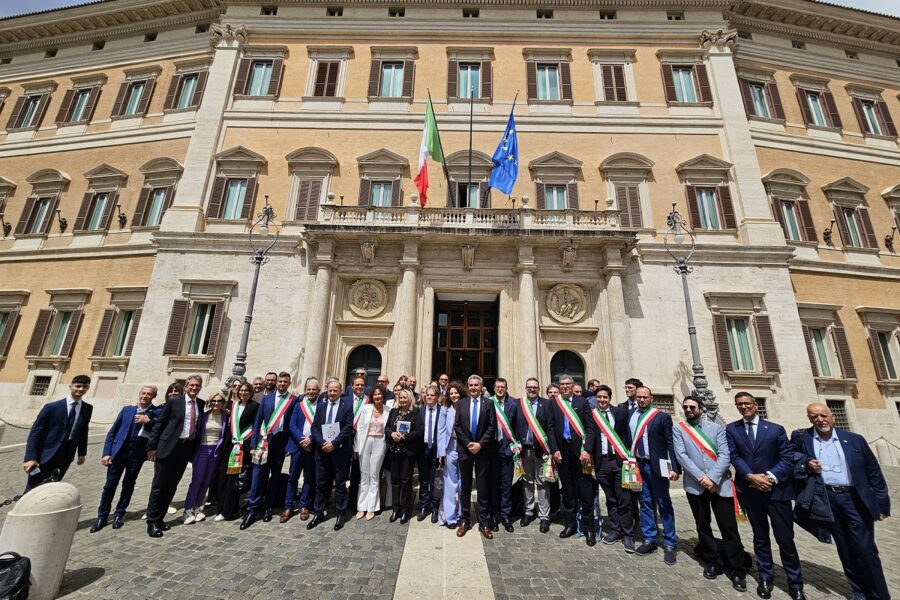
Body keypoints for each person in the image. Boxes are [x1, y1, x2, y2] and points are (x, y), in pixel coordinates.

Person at [792, 403, 890, 600]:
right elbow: (791, 456)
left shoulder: (854, 440)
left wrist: (882, 505)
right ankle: (859, 591)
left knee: (865, 548)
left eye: (823, 415)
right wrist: (806, 463)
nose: (820, 420)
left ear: (833, 416)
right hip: (826, 498)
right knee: (844, 547)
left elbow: (873, 472)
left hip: (853, 498)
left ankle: (879, 595)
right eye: (814, 417)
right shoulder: (803, 438)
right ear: (809, 419)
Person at [726, 392, 803, 600]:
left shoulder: (775, 429)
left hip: (776, 492)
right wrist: (750, 476)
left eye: (747, 403)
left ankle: (795, 583)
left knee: (786, 540)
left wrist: (769, 477)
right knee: (760, 538)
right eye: (739, 404)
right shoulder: (732, 429)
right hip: (750, 491)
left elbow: (787, 458)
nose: (744, 407)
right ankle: (765, 577)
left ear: (755, 405)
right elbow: (734, 455)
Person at [673, 395, 747, 590]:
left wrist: (712, 478)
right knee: (703, 525)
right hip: (695, 485)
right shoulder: (679, 429)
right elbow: (681, 456)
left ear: (701, 408)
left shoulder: (716, 428)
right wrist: (702, 478)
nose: (688, 410)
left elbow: (725, 454)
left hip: (720, 485)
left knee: (728, 527)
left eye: (692, 407)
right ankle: (712, 560)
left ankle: (737, 568)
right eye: (685, 407)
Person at [90, 385, 158, 532]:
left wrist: (148, 422)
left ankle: (119, 514)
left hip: (137, 455)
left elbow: (159, 431)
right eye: (143, 393)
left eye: (149, 394)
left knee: (128, 484)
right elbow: (113, 432)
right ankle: (102, 516)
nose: (145, 396)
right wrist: (106, 453)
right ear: (139, 394)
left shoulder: (156, 412)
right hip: (119, 453)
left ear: (154, 396)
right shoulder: (127, 410)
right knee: (109, 485)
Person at [146, 375, 205, 537]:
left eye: (197, 386)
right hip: (168, 447)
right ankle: (152, 521)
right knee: (159, 486)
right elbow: (160, 424)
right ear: (185, 386)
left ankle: (160, 519)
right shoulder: (174, 402)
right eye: (191, 385)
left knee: (172, 485)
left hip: (185, 449)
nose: (194, 388)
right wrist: (152, 447)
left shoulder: (201, 404)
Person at [627, 386, 680, 564]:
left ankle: (670, 543)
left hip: (658, 466)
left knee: (664, 503)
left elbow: (670, 443)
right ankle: (649, 539)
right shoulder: (631, 415)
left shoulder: (661, 416)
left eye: (645, 397)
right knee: (645, 502)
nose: (641, 400)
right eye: (639, 397)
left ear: (651, 398)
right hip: (638, 464)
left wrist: (675, 467)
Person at [242, 371, 295, 529]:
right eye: (280, 381)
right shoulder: (266, 399)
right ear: (277, 383)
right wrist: (253, 445)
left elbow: (292, 424)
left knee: (275, 476)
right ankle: (252, 509)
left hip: (280, 444)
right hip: (263, 443)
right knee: (258, 475)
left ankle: (268, 507)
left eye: (285, 382)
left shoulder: (293, 400)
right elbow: (257, 422)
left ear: (289, 384)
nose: (282, 384)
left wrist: (288, 446)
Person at [547, 374, 596, 546]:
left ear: (573, 385)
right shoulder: (554, 403)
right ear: (559, 386)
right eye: (562, 384)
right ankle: (571, 525)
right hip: (563, 452)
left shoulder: (582, 402)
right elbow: (550, 428)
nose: (565, 386)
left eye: (568, 384)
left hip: (581, 452)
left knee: (585, 491)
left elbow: (590, 428)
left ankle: (589, 528)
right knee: (567, 491)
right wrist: (554, 449)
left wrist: (588, 450)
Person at [23, 374, 94, 491]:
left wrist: (82, 453)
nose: (81, 389)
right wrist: (30, 457)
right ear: (70, 386)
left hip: (66, 455)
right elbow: (36, 432)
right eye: (78, 386)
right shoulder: (52, 407)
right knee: (33, 489)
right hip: (45, 454)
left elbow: (83, 431)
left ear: (88, 388)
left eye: (84, 387)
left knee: (52, 487)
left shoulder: (87, 408)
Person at [586, 384, 635, 552]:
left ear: (610, 398)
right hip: (602, 463)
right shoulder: (592, 415)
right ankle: (616, 529)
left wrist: (629, 458)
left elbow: (627, 436)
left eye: (605, 397)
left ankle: (628, 534)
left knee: (624, 498)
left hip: (619, 461)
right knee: (610, 498)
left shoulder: (620, 413)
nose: (602, 400)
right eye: (599, 397)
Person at [308, 379, 354, 531]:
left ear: (340, 391)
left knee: (340, 483)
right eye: (330, 390)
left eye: (335, 390)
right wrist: (322, 443)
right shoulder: (321, 405)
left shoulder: (347, 405)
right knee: (321, 483)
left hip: (339, 450)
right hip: (322, 451)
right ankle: (318, 512)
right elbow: (315, 427)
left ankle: (340, 513)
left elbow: (348, 427)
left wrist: (333, 443)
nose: (332, 393)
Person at [454, 374, 496, 539]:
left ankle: (484, 522)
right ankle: (464, 520)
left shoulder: (488, 403)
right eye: (471, 385)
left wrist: (480, 444)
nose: (473, 388)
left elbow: (492, 426)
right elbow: (457, 426)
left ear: (481, 387)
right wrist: (468, 444)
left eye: (476, 385)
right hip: (465, 451)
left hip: (483, 451)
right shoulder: (462, 403)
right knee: (465, 486)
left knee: (482, 487)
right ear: (468, 387)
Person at [214, 381, 259, 521]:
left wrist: (250, 445)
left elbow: (256, 426)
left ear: (251, 393)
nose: (243, 392)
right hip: (229, 444)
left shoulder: (255, 406)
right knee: (224, 476)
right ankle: (220, 508)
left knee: (234, 479)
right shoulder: (233, 405)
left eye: (246, 390)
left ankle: (228, 511)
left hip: (243, 446)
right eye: (241, 390)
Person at [183, 392, 229, 523]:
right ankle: (188, 509)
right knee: (197, 480)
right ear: (210, 402)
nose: (216, 403)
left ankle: (198, 507)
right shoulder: (204, 416)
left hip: (216, 451)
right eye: (214, 401)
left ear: (223, 403)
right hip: (202, 449)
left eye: (219, 401)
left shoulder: (226, 416)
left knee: (207, 481)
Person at [281, 377, 320, 523]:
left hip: (312, 447)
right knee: (293, 477)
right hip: (298, 446)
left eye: (314, 389)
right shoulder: (299, 405)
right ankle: (289, 506)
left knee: (309, 478)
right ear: (305, 390)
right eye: (309, 389)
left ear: (319, 391)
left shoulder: (322, 406)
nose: (311, 392)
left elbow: (321, 426)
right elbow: (292, 425)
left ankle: (304, 505)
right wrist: (302, 440)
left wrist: (311, 439)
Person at [516, 377, 552, 534]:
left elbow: (550, 427)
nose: (532, 389)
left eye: (535, 387)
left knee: (542, 483)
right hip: (525, 450)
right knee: (527, 482)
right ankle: (529, 512)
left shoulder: (546, 404)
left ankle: (544, 516)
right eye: (529, 387)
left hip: (541, 450)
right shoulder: (519, 404)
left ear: (539, 389)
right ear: (526, 388)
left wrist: (550, 449)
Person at [488, 377, 519, 533]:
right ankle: (494, 515)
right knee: (493, 484)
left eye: (503, 387)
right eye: (498, 387)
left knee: (507, 485)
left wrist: (516, 445)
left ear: (506, 388)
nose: (500, 389)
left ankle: (506, 515)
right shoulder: (488, 402)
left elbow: (517, 426)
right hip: (492, 450)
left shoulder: (513, 404)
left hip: (507, 450)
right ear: (494, 389)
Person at [355, 385, 389, 520]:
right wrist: (356, 447)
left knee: (374, 475)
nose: (377, 397)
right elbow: (359, 428)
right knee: (364, 475)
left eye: (379, 394)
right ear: (372, 396)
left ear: (383, 396)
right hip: (365, 442)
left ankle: (372, 507)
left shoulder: (388, 410)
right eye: (375, 394)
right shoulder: (366, 409)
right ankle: (361, 507)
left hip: (380, 443)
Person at [385, 388, 419, 523]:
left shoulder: (415, 412)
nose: (403, 400)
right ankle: (395, 509)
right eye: (401, 397)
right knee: (395, 480)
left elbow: (419, 431)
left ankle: (405, 510)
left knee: (406, 481)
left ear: (410, 399)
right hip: (394, 451)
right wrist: (392, 434)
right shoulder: (393, 411)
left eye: (405, 397)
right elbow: (387, 428)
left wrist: (405, 436)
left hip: (407, 452)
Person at [437, 383, 464, 528]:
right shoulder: (445, 409)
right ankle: (450, 517)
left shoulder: (466, 407)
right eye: (451, 393)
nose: (454, 395)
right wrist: (441, 452)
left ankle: (462, 515)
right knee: (450, 483)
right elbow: (441, 430)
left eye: (456, 393)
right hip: (450, 447)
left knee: (463, 483)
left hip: (465, 447)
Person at [415, 385, 441, 522]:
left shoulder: (442, 411)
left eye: (432, 395)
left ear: (437, 397)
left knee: (435, 480)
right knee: (423, 479)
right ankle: (424, 506)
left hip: (437, 450)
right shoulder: (420, 411)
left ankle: (435, 507)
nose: (429, 397)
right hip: (423, 449)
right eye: (427, 395)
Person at [346, 376, 370, 514]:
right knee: (342, 470)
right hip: (345, 438)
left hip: (361, 438)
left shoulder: (369, 400)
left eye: (362, 385)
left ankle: (353, 501)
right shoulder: (345, 400)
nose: (359, 387)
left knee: (356, 471)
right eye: (357, 385)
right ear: (352, 386)